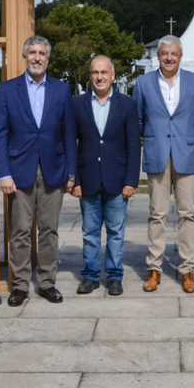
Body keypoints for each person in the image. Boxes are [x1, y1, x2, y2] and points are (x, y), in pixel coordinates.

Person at [0, 35, 76, 306]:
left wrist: (71, 173)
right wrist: (3, 173)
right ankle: (19, 285)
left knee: (49, 230)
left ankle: (47, 283)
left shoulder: (62, 90)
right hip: (19, 172)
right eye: (32, 53)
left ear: (47, 57)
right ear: (24, 56)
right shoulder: (7, 90)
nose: (37, 58)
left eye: (41, 53)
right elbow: (0, 135)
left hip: (54, 170)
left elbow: (69, 134)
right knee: (19, 230)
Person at [133, 35, 194, 294]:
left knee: (188, 213)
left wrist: (187, 138)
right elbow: (138, 119)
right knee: (157, 214)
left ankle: (188, 269)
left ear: (181, 56)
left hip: (186, 153)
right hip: (157, 154)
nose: (169, 57)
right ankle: (154, 268)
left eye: (174, 53)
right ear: (158, 56)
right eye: (164, 53)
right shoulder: (142, 83)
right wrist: (154, 138)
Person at [71, 55, 140, 297]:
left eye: (104, 72)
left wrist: (132, 180)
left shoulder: (128, 105)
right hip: (87, 178)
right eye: (94, 73)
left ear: (112, 76)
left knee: (116, 232)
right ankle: (90, 276)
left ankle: (114, 276)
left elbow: (134, 145)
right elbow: (72, 144)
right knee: (89, 233)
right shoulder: (77, 104)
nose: (99, 77)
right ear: (90, 76)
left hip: (117, 178)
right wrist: (74, 180)